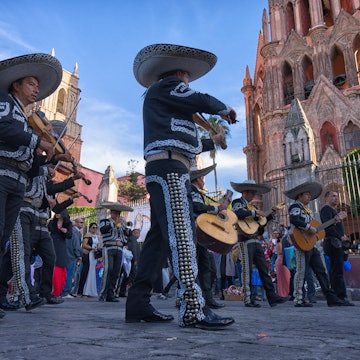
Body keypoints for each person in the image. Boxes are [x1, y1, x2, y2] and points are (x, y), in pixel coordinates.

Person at [126, 43, 237, 330]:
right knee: (182, 234)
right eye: (186, 76)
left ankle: (138, 303)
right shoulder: (170, 87)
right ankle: (192, 307)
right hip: (169, 169)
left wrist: (216, 141)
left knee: (159, 241)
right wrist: (222, 109)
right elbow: (198, 98)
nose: (188, 81)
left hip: (169, 166)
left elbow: (192, 142)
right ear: (178, 74)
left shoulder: (169, 105)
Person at [0, 53, 63, 316]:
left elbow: (33, 165)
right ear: (16, 85)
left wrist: (46, 157)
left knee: (3, 238)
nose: (36, 89)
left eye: (37, 85)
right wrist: (38, 142)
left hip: (18, 180)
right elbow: (3, 128)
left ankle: (2, 295)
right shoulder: (5, 103)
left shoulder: (26, 118)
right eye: (31, 83)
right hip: (2, 175)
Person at [284, 181, 347, 307]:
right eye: (306, 195)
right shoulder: (295, 207)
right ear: (300, 196)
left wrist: (333, 221)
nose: (309, 197)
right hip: (301, 244)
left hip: (311, 245)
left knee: (321, 271)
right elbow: (295, 220)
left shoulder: (308, 210)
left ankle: (330, 297)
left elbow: (315, 228)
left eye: (309, 194)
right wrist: (308, 227)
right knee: (301, 271)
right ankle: (298, 299)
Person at [231, 180, 288, 308]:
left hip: (256, 240)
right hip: (244, 240)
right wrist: (254, 213)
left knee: (264, 269)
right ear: (245, 192)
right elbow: (238, 214)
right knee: (246, 270)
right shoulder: (237, 203)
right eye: (251, 192)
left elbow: (259, 227)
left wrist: (269, 216)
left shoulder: (254, 207)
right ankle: (248, 298)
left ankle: (272, 297)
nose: (253, 195)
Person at [190, 164, 230, 310]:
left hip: (200, 233)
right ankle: (197, 298)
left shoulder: (197, 191)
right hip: (195, 232)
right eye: (202, 177)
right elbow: (196, 207)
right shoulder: (192, 190)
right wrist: (215, 208)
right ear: (197, 179)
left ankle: (207, 298)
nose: (203, 180)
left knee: (206, 266)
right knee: (200, 266)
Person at [320, 190, 354, 306]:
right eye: (333, 196)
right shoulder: (326, 210)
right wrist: (340, 236)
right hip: (332, 243)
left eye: (337, 196)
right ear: (326, 198)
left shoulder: (333, 211)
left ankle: (338, 297)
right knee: (336, 272)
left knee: (337, 271)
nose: (336, 198)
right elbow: (327, 227)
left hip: (336, 243)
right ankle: (339, 297)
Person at [99, 202, 132, 302]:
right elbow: (103, 230)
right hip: (109, 246)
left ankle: (111, 293)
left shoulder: (122, 224)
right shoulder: (105, 221)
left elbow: (128, 235)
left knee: (117, 271)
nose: (117, 215)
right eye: (115, 213)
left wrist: (124, 226)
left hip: (119, 248)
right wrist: (114, 223)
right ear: (111, 213)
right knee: (109, 269)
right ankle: (103, 293)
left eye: (119, 213)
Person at [48, 209, 72, 299]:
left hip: (61, 245)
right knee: (52, 265)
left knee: (60, 266)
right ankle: (51, 290)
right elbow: (48, 229)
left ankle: (58, 291)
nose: (57, 214)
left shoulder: (68, 224)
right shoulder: (52, 222)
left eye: (59, 212)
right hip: (52, 243)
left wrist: (65, 231)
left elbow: (70, 235)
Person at [61, 218, 84, 298]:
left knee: (63, 274)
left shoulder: (62, 233)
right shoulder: (74, 234)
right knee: (69, 274)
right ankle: (66, 291)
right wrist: (78, 255)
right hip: (71, 256)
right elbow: (76, 246)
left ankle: (62, 290)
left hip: (63, 255)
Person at [82, 226, 99, 297]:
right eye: (93, 227)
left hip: (94, 255)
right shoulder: (87, 235)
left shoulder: (96, 236)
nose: (94, 229)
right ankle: (85, 290)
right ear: (90, 228)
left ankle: (91, 290)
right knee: (88, 270)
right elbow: (84, 245)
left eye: (96, 228)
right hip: (89, 253)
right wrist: (91, 248)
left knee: (92, 271)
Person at [274, 231, 291, 297]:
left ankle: (284, 292)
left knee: (284, 278)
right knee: (284, 278)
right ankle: (283, 293)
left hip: (280, 260)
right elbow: (280, 252)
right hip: (281, 260)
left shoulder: (279, 244)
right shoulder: (279, 244)